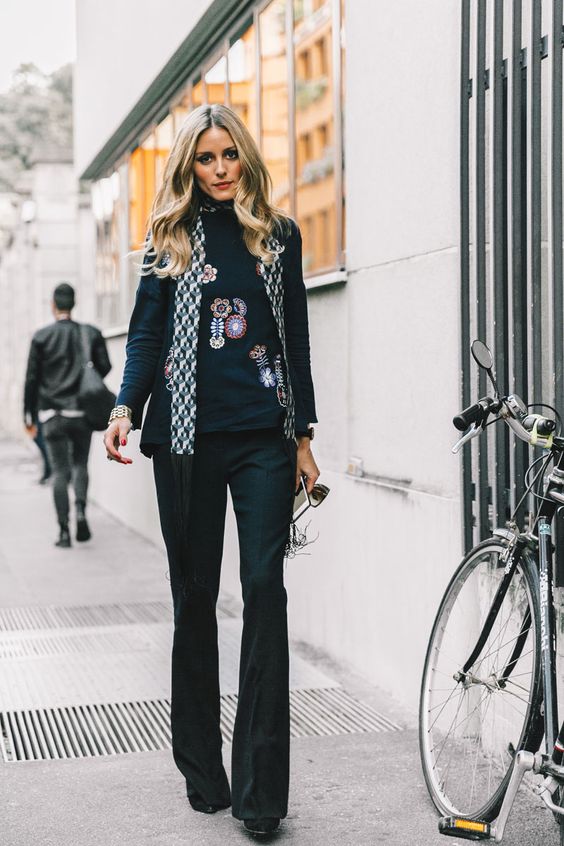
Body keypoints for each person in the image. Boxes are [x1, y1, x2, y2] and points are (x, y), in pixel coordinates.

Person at [103, 104, 319, 836]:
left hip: (263, 436)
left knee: (264, 590)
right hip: (184, 439)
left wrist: (304, 437)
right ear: (189, 166)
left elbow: (294, 337)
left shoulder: (278, 235)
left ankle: (262, 795)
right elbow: (146, 334)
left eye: (230, 155)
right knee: (195, 596)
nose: (220, 169)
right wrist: (125, 408)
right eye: (206, 158)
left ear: (245, 157)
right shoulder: (168, 237)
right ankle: (202, 767)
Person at [24, 282, 111, 547]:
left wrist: (28, 414)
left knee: (60, 471)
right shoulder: (91, 333)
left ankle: (63, 531)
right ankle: (81, 510)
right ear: (73, 303)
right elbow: (105, 367)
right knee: (80, 464)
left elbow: (31, 379)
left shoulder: (41, 337)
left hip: (52, 415)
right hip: (81, 413)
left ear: (53, 305)